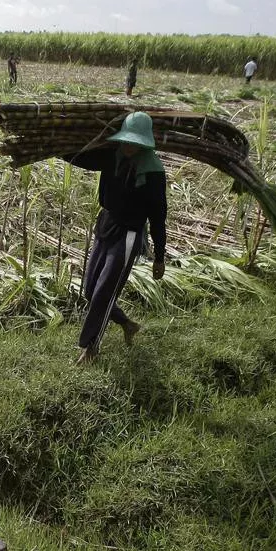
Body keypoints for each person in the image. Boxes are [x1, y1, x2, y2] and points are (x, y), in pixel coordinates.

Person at [68, 111, 167, 364]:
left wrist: (159, 257)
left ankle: (91, 348)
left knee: (105, 291)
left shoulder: (153, 172)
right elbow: (81, 158)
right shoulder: (112, 155)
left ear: (145, 142)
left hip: (129, 235)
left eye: (136, 142)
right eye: (127, 140)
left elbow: (158, 217)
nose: (130, 146)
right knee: (90, 289)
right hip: (106, 225)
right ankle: (126, 323)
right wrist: (49, 147)